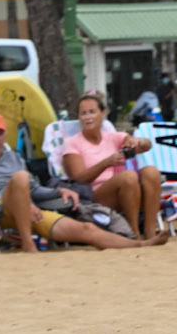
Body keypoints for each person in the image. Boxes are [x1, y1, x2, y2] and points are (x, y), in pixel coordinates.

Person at [0, 113, 144, 253]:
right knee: (20, 177)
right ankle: (28, 245)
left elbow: (34, 188)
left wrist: (59, 192)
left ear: (5, 135)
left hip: (29, 211)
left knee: (87, 229)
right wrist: (19, 200)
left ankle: (140, 244)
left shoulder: (14, 157)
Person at [61, 93, 168, 240]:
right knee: (128, 176)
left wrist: (138, 142)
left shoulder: (112, 137)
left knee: (151, 172)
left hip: (125, 191)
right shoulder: (72, 143)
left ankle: (150, 230)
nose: (87, 117)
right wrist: (106, 163)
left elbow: (145, 145)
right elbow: (78, 178)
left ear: (102, 113)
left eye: (92, 112)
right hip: (94, 196)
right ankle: (133, 232)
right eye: (83, 113)